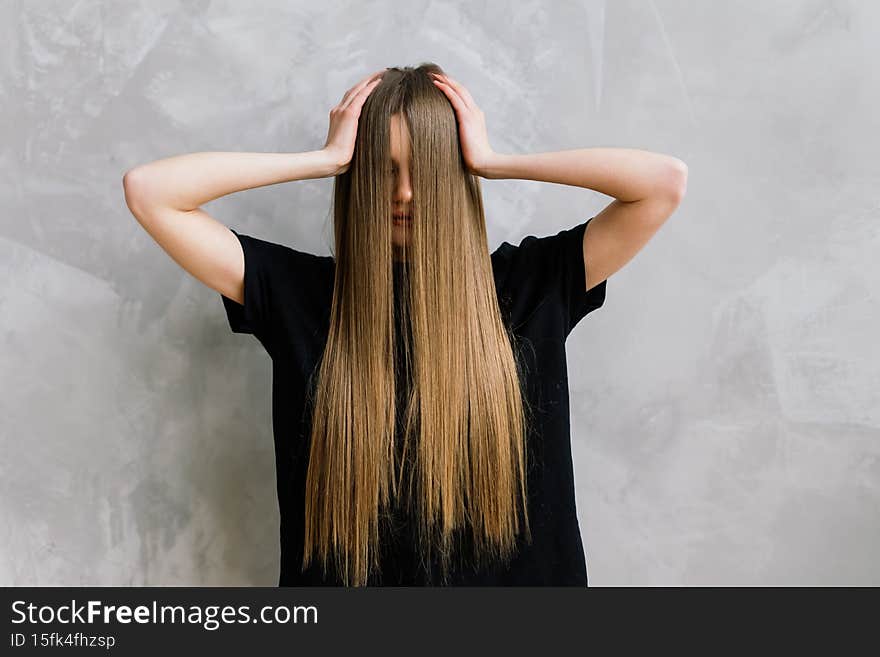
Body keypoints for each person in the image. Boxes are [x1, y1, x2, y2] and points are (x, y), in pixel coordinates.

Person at [123, 63, 687, 586]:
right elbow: (151, 193)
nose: (405, 192)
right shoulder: (303, 297)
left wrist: (492, 161)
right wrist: (321, 159)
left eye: (427, 168)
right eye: (383, 169)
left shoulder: (530, 286)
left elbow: (662, 183)